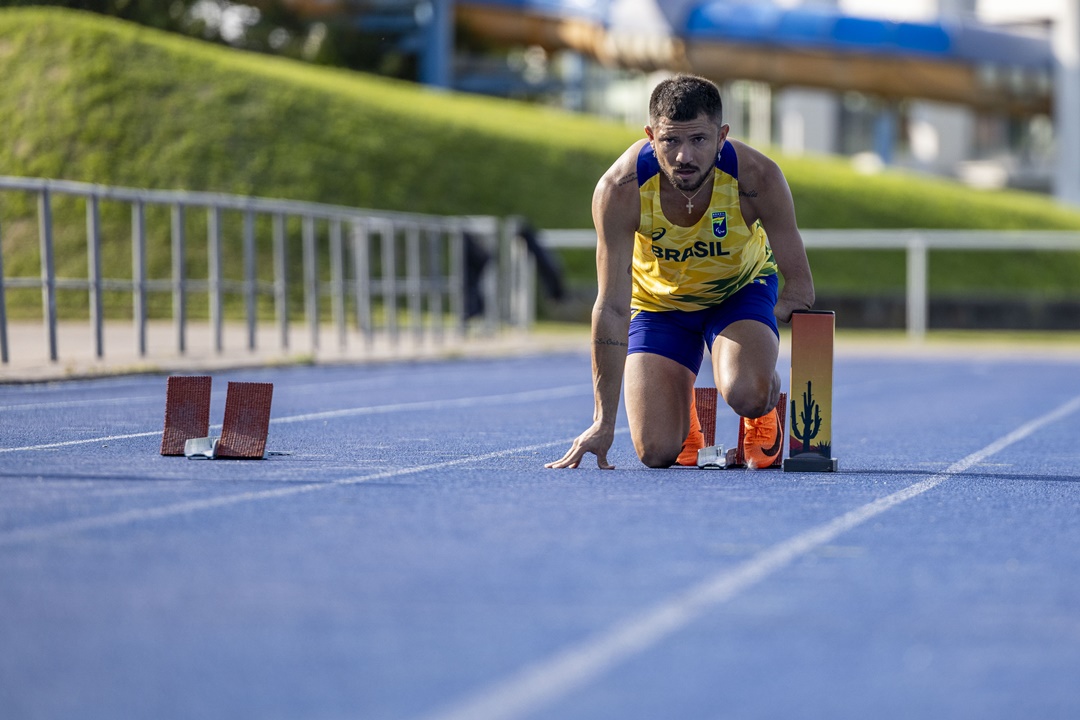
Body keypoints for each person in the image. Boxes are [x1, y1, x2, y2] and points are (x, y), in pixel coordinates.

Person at [546, 74, 816, 470]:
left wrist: (754, 336)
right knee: (656, 453)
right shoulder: (620, 190)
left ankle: (761, 411)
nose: (684, 157)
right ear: (650, 137)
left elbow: (801, 289)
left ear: (722, 136)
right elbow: (612, 308)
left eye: (699, 140)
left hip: (736, 295)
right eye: (670, 141)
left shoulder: (758, 177)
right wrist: (602, 422)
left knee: (746, 390)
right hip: (659, 307)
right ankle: (683, 408)